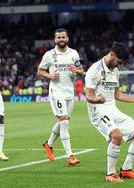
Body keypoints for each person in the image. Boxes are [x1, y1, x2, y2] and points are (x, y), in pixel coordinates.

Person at [85, 42, 134, 183]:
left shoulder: (115, 71)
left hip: (112, 109)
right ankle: (110, 174)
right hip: (97, 110)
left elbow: (117, 95)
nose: (120, 65)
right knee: (116, 135)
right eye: (119, 62)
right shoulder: (94, 70)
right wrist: (96, 99)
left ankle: (126, 170)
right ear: (112, 55)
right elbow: (88, 96)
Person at [38, 28, 84, 165]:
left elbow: (81, 69)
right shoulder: (49, 55)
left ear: (67, 38)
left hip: (70, 92)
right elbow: (40, 71)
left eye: (63, 37)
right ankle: (70, 156)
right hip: (56, 92)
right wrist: (50, 75)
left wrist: (77, 71)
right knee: (64, 122)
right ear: (55, 39)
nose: (61, 39)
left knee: (63, 122)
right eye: (58, 37)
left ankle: (49, 144)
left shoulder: (74, 53)